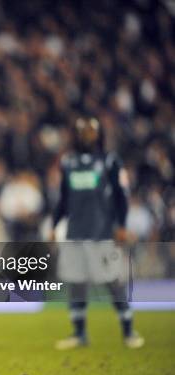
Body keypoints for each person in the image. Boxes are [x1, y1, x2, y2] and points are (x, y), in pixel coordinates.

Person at [51, 117, 144, 350]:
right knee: (76, 282)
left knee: (111, 280)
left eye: (91, 131)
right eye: (83, 131)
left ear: (99, 133)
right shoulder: (68, 162)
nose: (87, 135)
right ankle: (79, 333)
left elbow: (122, 195)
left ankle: (128, 330)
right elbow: (63, 199)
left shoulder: (110, 160)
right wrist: (55, 226)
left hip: (100, 231)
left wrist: (121, 225)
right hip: (75, 232)